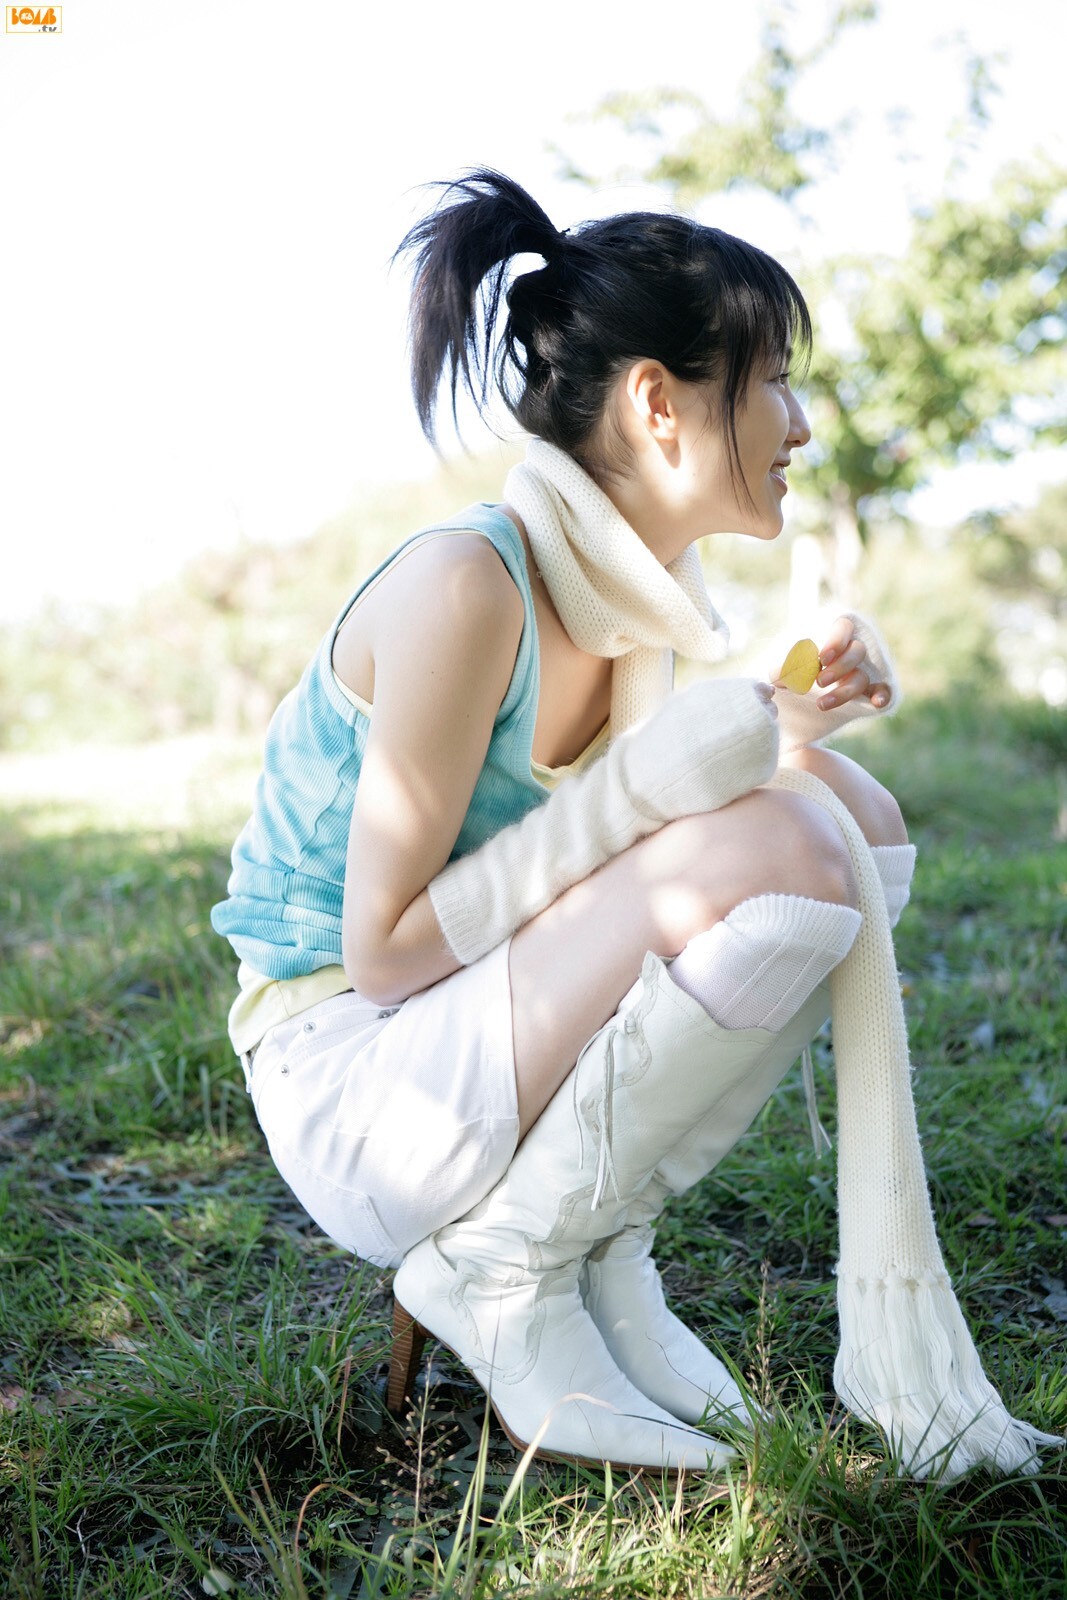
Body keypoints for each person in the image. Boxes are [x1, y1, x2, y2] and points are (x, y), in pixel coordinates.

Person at [210, 171, 1052, 1478]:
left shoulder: (636, 602)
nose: (804, 422)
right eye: (773, 378)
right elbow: (382, 952)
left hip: (457, 1038)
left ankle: (588, 1243)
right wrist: (673, 777)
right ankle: (508, 1265)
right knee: (797, 843)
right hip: (356, 1081)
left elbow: (650, 825)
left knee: (852, 826)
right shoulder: (466, 585)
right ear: (661, 404)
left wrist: (784, 716)